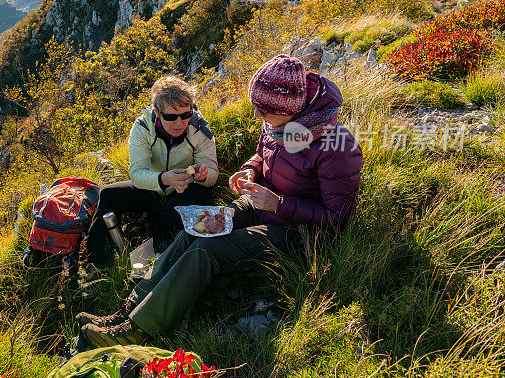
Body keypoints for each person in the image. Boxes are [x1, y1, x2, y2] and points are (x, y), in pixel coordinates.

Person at [76, 54, 364, 347]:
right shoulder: (278, 123)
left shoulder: (338, 147)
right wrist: (250, 170)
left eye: (263, 110)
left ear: (290, 108)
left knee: (208, 248)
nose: (257, 117)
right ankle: (128, 310)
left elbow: (338, 217)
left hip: (296, 233)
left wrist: (278, 204)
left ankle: (138, 328)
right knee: (197, 227)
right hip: (257, 208)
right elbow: (262, 155)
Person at [85, 76, 219, 269]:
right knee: (108, 194)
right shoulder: (143, 127)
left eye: (185, 114)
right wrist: (164, 179)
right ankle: (96, 262)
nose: (179, 123)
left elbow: (212, 174)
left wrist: (204, 175)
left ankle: (149, 225)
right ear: (156, 111)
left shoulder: (199, 128)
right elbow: (137, 174)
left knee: (203, 194)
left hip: (184, 189)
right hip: (153, 186)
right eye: (171, 117)